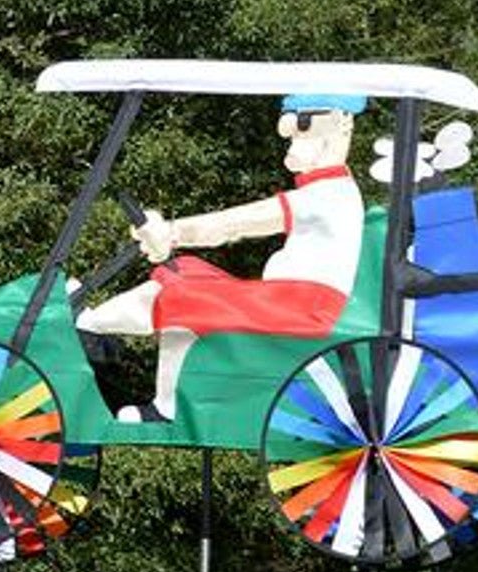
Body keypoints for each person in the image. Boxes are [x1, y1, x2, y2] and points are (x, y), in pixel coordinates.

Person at [74, 94, 368, 422]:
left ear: (343, 122)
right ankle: (130, 366)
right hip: (289, 303)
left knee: (183, 293)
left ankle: (91, 327)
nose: (294, 136)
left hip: (299, 309)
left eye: (304, 123)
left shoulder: (325, 197)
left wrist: (171, 232)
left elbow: (235, 224)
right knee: (186, 275)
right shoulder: (330, 192)